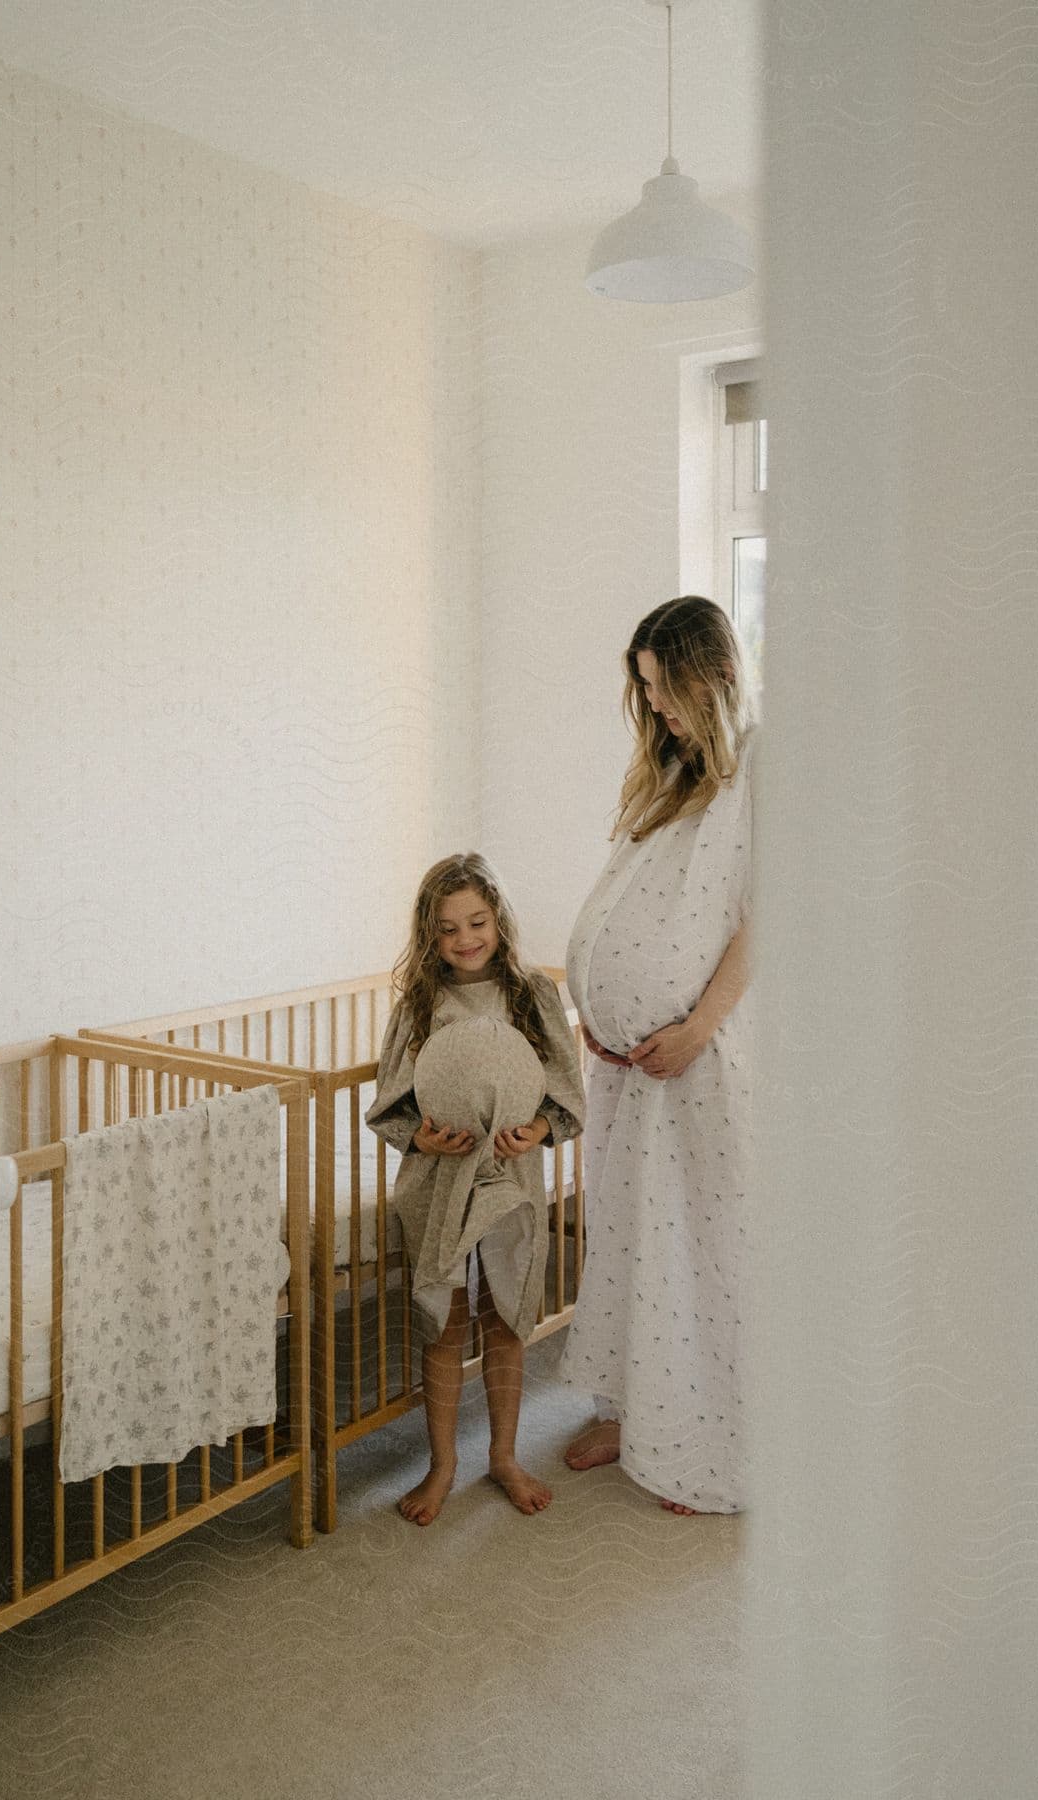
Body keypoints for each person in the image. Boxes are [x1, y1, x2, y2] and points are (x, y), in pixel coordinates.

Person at [560, 596, 755, 1515]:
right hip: (628, 1068)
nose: (660, 709)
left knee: (699, 1248)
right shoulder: (670, 770)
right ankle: (634, 1411)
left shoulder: (764, 764)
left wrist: (700, 1023)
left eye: (668, 691)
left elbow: (769, 914)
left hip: (697, 1063)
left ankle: (708, 1438)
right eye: (646, 692)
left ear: (713, 675)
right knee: (631, 1240)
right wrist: (598, 1011)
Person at [366, 853, 585, 1527]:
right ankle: (442, 1465)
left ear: (499, 920)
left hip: (508, 1178)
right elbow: (391, 1101)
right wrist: (422, 1138)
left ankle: (504, 1455)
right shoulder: (421, 1004)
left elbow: (565, 1091)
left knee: (507, 1317)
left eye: (477, 922)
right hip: (439, 1181)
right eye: (447, 929)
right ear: (429, 936)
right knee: (446, 1322)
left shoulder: (532, 995)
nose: (465, 939)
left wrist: (538, 1127)